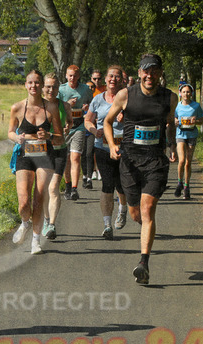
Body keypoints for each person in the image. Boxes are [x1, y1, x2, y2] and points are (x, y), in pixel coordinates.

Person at [104, 54, 178, 285]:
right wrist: (112, 145)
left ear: (160, 73)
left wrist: (172, 145)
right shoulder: (125, 95)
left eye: (154, 71)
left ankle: (143, 263)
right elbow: (107, 122)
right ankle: (144, 226)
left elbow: (170, 123)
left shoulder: (170, 97)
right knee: (136, 214)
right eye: (146, 71)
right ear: (139, 73)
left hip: (156, 161)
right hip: (130, 162)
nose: (150, 75)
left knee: (148, 210)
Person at [9, 70, 64, 254]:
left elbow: (60, 138)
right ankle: (25, 223)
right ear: (26, 85)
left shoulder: (51, 108)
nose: (34, 86)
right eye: (30, 82)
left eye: (37, 82)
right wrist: (17, 138)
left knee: (39, 200)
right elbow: (10, 132)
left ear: (42, 85)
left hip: (45, 156)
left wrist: (49, 136)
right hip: (24, 155)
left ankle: (35, 240)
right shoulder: (17, 108)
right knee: (24, 203)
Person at [84, 65, 129, 241]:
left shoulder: (128, 98)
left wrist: (127, 118)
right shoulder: (98, 99)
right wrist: (94, 130)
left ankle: (122, 210)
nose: (113, 79)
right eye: (111, 76)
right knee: (107, 184)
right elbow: (87, 120)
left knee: (122, 184)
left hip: (124, 147)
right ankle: (107, 225)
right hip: (102, 147)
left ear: (122, 80)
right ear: (105, 79)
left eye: (117, 77)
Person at [42, 72, 72, 240]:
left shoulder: (64, 105)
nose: (51, 90)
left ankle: (52, 225)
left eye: (54, 87)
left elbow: (70, 121)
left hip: (59, 149)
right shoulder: (38, 106)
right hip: (42, 151)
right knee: (44, 189)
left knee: (53, 187)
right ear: (42, 87)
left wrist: (67, 127)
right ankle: (46, 219)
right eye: (48, 87)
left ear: (59, 88)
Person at [58, 65, 94, 201]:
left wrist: (87, 107)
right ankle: (67, 186)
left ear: (79, 76)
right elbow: (55, 106)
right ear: (66, 76)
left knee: (75, 157)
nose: (72, 78)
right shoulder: (61, 89)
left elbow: (92, 104)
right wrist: (67, 104)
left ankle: (74, 189)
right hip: (65, 127)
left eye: (75, 75)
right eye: (70, 75)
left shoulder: (85, 89)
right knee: (67, 159)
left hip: (79, 126)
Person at [174, 83, 203, 200]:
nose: (186, 94)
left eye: (188, 92)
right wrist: (175, 122)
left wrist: (195, 121)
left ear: (191, 93)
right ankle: (179, 183)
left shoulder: (196, 106)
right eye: (184, 92)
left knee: (188, 162)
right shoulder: (177, 106)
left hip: (192, 135)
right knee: (181, 160)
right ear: (180, 94)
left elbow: (201, 120)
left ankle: (186, 187)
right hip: (180, 135)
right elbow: (174, 118)